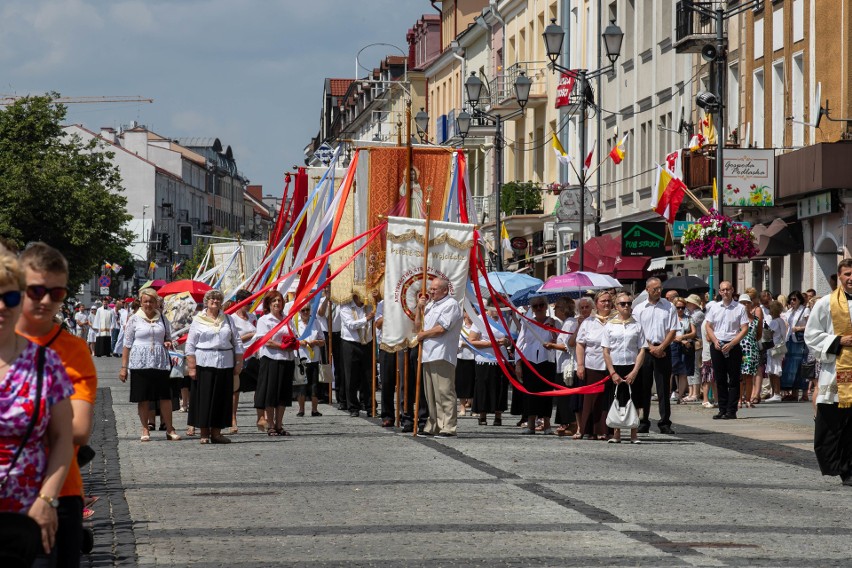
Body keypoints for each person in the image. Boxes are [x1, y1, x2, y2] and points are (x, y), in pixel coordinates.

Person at [16, 242, 98, 567]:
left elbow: (77, 430)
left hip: (60, 492)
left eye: (58, 294)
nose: (47, 301)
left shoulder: (73, 351)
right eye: (36, 291)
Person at [0, 247, 74, 562]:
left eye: (11, 297)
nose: (2, 306)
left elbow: (63, 438)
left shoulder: (46, 363)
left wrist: (46, 499)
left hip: (26, 515)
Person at [804, 259, 852, 486]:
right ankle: (842, 468)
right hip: (836, 370)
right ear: (839, 277)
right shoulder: (826, 303)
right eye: (847, 274)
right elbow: (811, 335)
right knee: (836, 422)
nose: (851, 278)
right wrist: (838, 340)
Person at [119, 288, 181, 442]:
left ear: (156, 303)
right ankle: (145, 428)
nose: (148, 304)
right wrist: (124, 367)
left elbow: (169, 338)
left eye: (151, 301)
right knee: (143, 397)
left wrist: (168, 342)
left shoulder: (163, 319)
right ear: (140, 302)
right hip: (140, 362)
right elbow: (127, 344)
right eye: (145, 301)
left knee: (165, 397)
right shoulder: (134, 319)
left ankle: (170, 428)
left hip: (160, 362)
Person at [185, 289, 244, 444]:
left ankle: (217, 433)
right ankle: (204, 432)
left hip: (224, 362)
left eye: (218, 299)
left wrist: (239, 362)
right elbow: (190, 345)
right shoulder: (198, 320)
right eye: (212, 298)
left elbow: (237, 342)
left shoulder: (228, 319)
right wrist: (192, 367)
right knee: (204, 398)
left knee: (221, 398)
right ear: (206, 301)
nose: (215, 301)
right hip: (204, 362)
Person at [415, 277, 463, 437]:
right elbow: (417, 327)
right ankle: (434, 424)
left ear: (445, 290)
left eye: (435, 289)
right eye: (431, 288)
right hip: (428, 354)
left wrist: (423, 335)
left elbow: (442, 328)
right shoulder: (430, 305)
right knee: (431, 394)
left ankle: (448, 426)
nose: (430, 291)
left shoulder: (451, 305)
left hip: (442, 353)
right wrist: (419, 308)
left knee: (444, 391)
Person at [632, 277, 679, 434]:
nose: (658, 291)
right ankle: (644, 420)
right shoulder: (639, 309)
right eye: (655, 289)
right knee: (644, 387)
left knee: (663, 387)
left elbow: (673, 329)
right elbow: (637, 331)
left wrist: (662, 347)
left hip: (663, 349)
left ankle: (665, 422)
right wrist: (650, 347)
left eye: (660, 288)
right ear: (647, 290)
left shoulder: (669, 307)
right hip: (645, 350)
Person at [602, 292, 646, 444]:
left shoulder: (637, 325)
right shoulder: (609, 326)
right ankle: (616, 433)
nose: (626, 306)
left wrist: (635, 370)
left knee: (634, 399)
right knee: (616, 399)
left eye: (628, 303)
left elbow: (642, 349)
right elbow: (606, 351)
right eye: (623, 304)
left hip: (632, 366)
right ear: (616, 307)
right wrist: (612, 372)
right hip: (616, 366)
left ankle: (634, 433)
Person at [704, 281, 749, 420]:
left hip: (733, 344)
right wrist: (715, 340)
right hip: (717, 344)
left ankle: (731, 410)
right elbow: (708, 326)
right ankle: (722, 409)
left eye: (728, 289)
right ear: (719, 291)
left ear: (732, 290)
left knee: (734, 379)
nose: (725, 292)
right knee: (720, 378)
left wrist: (732, 343)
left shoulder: (740, 308)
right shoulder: (715, 307)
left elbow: (744, 329)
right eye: (723, 290)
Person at [514, 296, 558, 435]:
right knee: (530, 393)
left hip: (547, 360)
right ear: (532, 309)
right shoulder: (528, 323)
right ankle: (531, 424)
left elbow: (558, 341)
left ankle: (547, 424)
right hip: (530, 360)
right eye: (535, 306)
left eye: (541, 305)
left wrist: (552, 327)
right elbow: (520, 344)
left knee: (546, 392)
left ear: (546, 306)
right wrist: (518, 364)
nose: (539, 308)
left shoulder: (554, 322)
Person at [254, 290, 296, 436]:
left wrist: (293, 343)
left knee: (283, 393)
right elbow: (265, 341)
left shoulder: (287, 319)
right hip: (271, 359)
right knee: (271, 393)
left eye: (279, 300)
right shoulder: (264, 320)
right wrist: (282, 346)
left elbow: (293, 335)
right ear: (269, 304)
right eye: (274, 301)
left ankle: (279, 424)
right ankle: (270, 424)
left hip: (287, 359)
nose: (277, 303)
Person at [575, 291, 615, 440]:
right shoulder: (588, 322)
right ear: (596, 304)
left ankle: (608, 430)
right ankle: (591, 430)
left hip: (611, 365)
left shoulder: (616, 320)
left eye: (609, 301)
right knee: (592, 399)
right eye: (603, 301)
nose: (606, 304)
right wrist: (580, 365)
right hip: (593, 364)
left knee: (608, 399)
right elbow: (580, 345)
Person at [469, 306, 511, 427]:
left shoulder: (503, 320)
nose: (499, 310)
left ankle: (498, 415)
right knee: (483, 386)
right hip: (485, 358)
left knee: (500, 386)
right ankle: (482, 415)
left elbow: (508, 340)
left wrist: (506, 342)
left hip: (501, 359)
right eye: (496, 307)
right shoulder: (480, 319)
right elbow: (472, 340)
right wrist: (492, 343)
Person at [228, 290, 263, 433]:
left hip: (254, 356)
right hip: (239, 356)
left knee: (258, 387)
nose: (250, 305)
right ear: (239, 302)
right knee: (236, 390)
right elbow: (232, 339)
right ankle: (233, 420)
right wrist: (250, 335)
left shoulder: (252, 317)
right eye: (248, 303)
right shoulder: (231, 319)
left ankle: (260, 418)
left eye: (252, 302)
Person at [545, 297, 579, 436]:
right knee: (562, 396)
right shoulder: (565, 323)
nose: (554, 309)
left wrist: (552, 345)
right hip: (561, 364)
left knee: (567, 395)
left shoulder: (570, 323)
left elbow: (568, 346)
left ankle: (573, 424)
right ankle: (565, 422)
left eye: (557, 307)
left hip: (567, 365)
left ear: (564, 309)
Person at [339, 291, 374, 417]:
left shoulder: (369, 305)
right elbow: (350, 324)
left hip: (367, 342)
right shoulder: (345, 306)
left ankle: (370, 405)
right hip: (350, 343)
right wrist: (367, 318)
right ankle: (353, 407)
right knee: (351, 377)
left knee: (368, 376)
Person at [292, 302, 325, 418]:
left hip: (314, 357)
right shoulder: (295, 323)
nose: (305, 312)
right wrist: (299, 342)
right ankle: (301, 409)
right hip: (301, 357)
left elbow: (323, 340)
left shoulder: (315, 322)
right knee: (301, 385)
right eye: (303, 310)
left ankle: (314, 410)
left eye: (307, 310)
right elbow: (291, 340)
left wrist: (316, 342)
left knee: (315, 385)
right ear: (299, 312)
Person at [781, 291, 810, 401]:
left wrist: (799, 328)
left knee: (802, 367)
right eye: (791, 299)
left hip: (800, 341)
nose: (792, 301)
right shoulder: (789, 311)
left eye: (794, 299)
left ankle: (805, 394)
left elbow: (810, 325)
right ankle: (794, 393)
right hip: (790, 340)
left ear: (799, 300)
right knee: (792, 368)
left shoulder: (805, 310)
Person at [670, 297, 696, 403]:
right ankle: (667, 394)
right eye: (678, 308)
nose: (680, 310)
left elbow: (694, 332)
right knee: (671, 371)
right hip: (673, 345)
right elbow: (668, 334)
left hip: (685, 347)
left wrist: (684, 337)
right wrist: (680, 340)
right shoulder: (671, 318)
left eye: (682, 307)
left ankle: (680, 396)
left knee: (683, 372)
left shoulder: (689, 318)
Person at [738, 293, 762, 409]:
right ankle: (738, 399)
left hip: (751, 349)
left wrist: (750, 342)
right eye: (742, 303)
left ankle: (747, 399)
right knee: (739, 376)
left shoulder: (756, 319)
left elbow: (759, 335)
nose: (744, 305)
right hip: (739, 349)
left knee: (749, 376)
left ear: (750, 304)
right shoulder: (736, 319)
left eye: (746, 303)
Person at [763, 300, 787, 403]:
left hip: (773, 348)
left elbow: (768, 335)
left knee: (774, 371)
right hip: (778, 348)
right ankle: (775, 393)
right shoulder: (781, 320)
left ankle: (776, 393)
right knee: (774, 370)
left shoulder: (774, 322)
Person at [455, 312, 476, 416]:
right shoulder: (459, 325)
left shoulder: (477, 326)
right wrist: (468, 343)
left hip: (474, 357)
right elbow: (456, 341)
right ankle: (462, 408)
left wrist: (468, 342)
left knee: (473, 383)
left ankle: (473, 407)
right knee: (462, 383)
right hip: (462, 357)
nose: (473, 314)